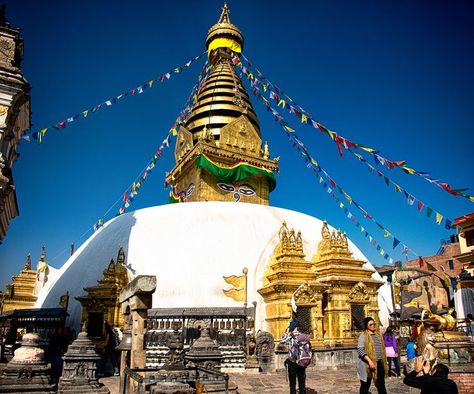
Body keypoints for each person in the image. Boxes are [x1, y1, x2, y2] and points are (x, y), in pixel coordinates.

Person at [357, 317, 388, 394]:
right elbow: (360, 350)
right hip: (366, 365)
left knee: (381, 385)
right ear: (366, 326)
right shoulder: (363, 335)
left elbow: (382, 350)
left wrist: (385, 362)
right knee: (365, 385)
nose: (373, 326)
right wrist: (370, 362)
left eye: (374, 324)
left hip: (379, 363)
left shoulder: (378, 335)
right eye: (370, 325)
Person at [280, 320, 310, 394]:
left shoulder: (291, 337)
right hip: (302, 361)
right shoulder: (304, 336)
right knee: (302, 383)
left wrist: (287, 332)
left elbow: (282, 341)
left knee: (292, 384)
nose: (291, 329)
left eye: (292, 328)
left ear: (295, 328)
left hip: (292, 362)